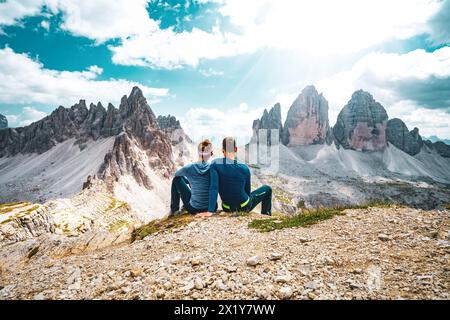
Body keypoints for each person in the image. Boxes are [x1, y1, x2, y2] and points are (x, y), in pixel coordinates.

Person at [203, 136, 272, 217]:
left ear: (222, 150)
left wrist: (210, 211)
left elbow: (214, 187)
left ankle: (264, 216)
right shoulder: (244, 168)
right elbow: (247, 192)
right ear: (235, 149)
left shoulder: (215, 164)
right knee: (267, 189)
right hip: (244, 207)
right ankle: (265, 215)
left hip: (227, 208)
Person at [170, 139, 216, 215]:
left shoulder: (189, 168)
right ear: (210, 154)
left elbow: (176, 174)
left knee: (176, 179)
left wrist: (189, 180)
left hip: (194, 209)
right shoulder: (213, 168)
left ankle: (174, 210)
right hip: (210, 207)